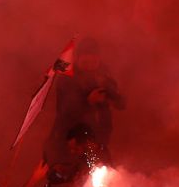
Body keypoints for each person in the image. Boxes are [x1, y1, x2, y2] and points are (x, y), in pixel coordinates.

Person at [44, 37, 125, 165]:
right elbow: (65, 112)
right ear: (78, 58)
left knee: (107, 180)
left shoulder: (103, 74)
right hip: (70, 141)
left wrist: (113, 97)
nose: (90, 64)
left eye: (94, 59)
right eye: (86, 60)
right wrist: (88, 102)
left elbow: (121, 102)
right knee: (69, 181)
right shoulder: (67, 78)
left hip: (98, 140)